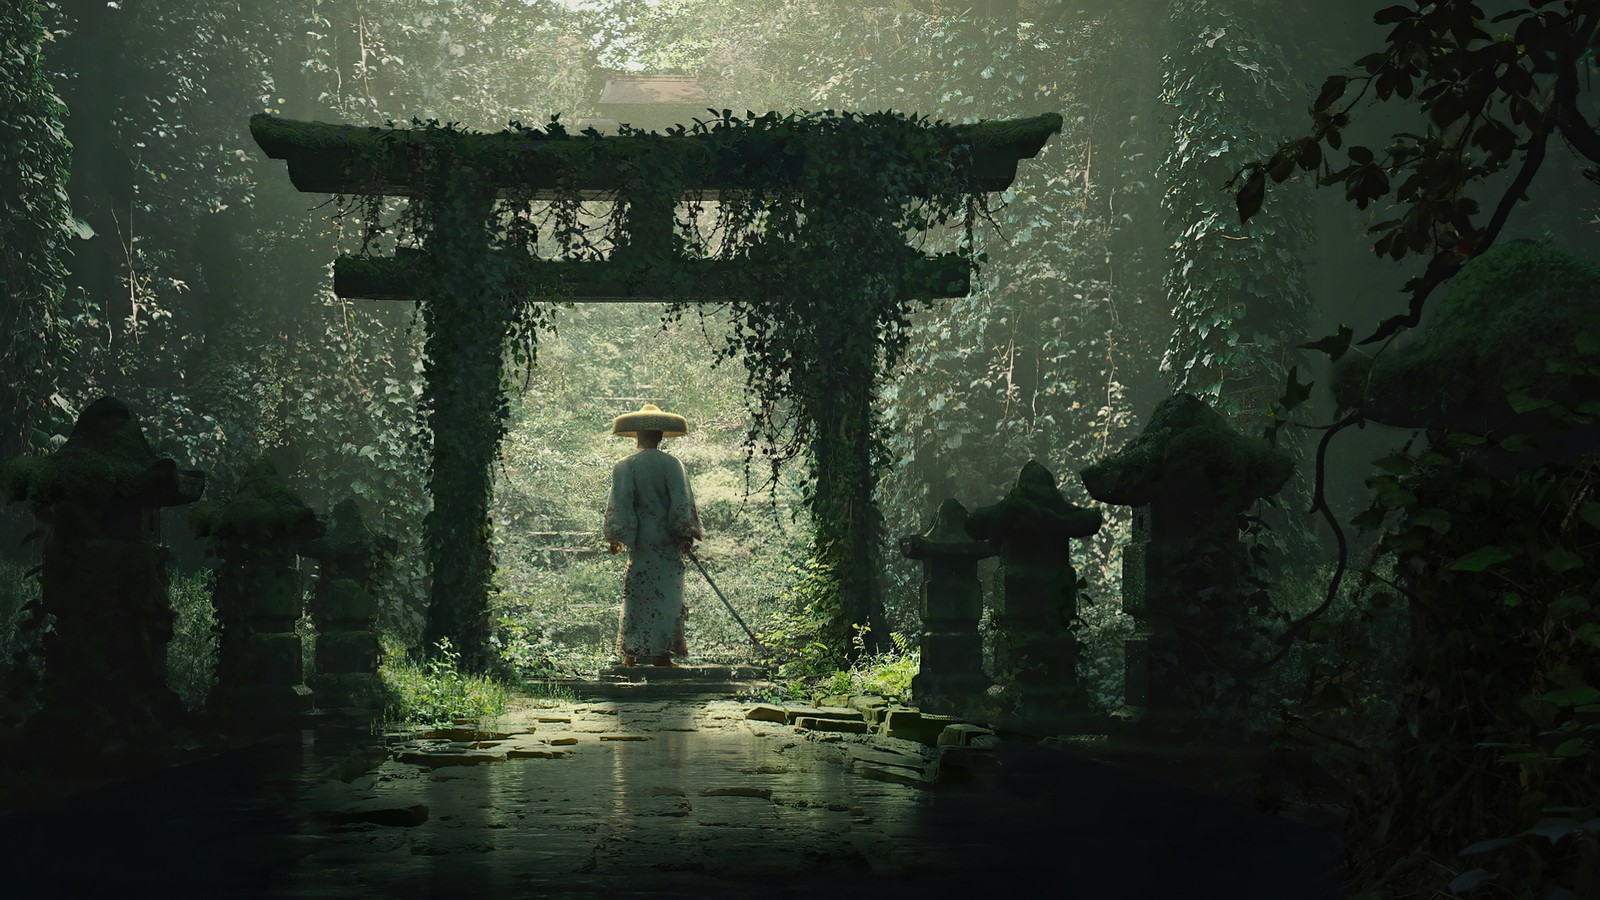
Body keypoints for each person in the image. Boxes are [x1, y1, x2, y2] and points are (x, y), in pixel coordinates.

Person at [603, 404, 703, 667]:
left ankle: (631, 653)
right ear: (659, 437)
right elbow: (682, 501)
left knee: (637, 593)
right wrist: (685, 532)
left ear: (638, 437)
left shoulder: (625, 466)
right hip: (667, 539)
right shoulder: (673, 465)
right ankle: (662, 654)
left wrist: (617, 537)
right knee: (668, 594)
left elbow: (620, 504)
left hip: (641, 540)